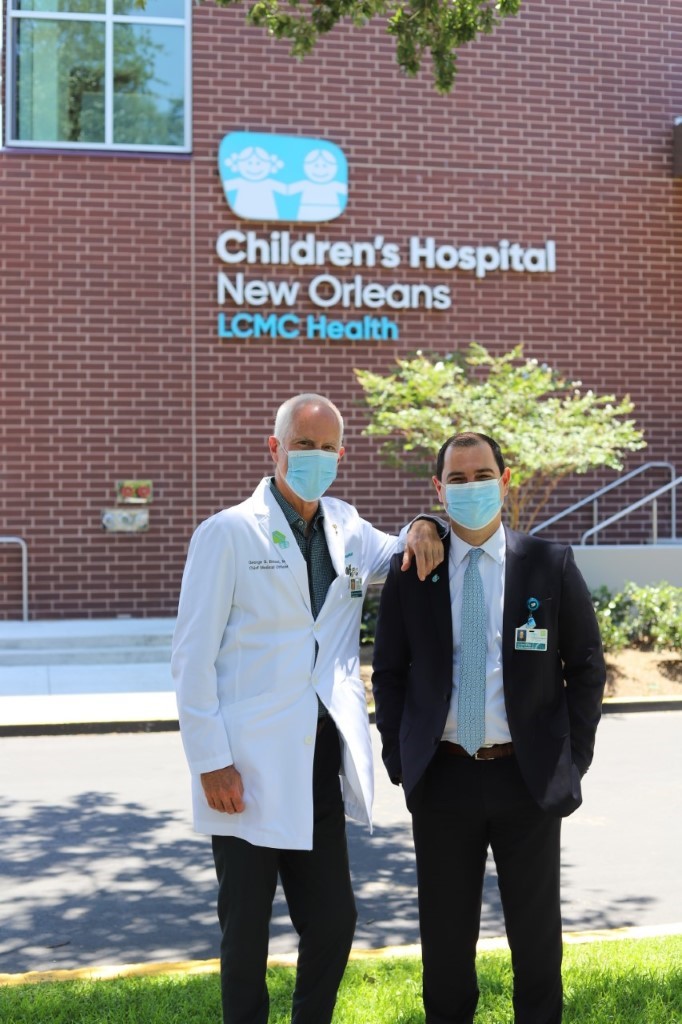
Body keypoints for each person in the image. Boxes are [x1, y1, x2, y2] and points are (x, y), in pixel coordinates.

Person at [171, 393, 444, 1024]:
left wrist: (429, 524)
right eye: (303, 443)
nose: (315, 457)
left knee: (334, 923)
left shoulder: (348, 527)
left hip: (319, 762)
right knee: (245, 935)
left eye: (327, 448)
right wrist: (211, 761)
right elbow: (192, 659)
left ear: (341, 456)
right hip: (245, 765)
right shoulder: (228, 533)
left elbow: (405, 542)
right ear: (275, 448)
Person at [372, 431, 606, 1024]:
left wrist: (571, 758)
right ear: (439, 490)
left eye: (482, 476)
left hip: (526, 778)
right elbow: (389, 671)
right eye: (457, 478)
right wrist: (402, 760)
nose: (470, 487)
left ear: (505, 482)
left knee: (536, 942)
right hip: (442, 775)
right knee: (446, 946)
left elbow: (585, 667)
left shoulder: (548, 564)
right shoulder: (413, 568)